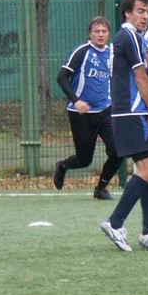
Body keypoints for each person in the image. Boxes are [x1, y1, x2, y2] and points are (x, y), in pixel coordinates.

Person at [100, 0, 148, 252]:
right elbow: (140, 78)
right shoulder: (128, 36)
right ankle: (115, 223)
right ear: (127, 13)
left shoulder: (137, 39)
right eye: (140, 11)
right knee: (147, 169)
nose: (145, 16)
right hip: (131, 112)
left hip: (130, 112)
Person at [53, 17, 122, 200]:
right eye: (96, 31)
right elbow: (61, 77)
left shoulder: (112, 54)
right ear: (90, 33)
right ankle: (62, 166)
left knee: (118, 151)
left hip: (105, 111)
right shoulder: (82, 52)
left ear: (108, 34)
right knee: (84, 160)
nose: (100, 34)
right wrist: (76, 101)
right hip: (81, 114)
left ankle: (101, 188)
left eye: (104, 31)